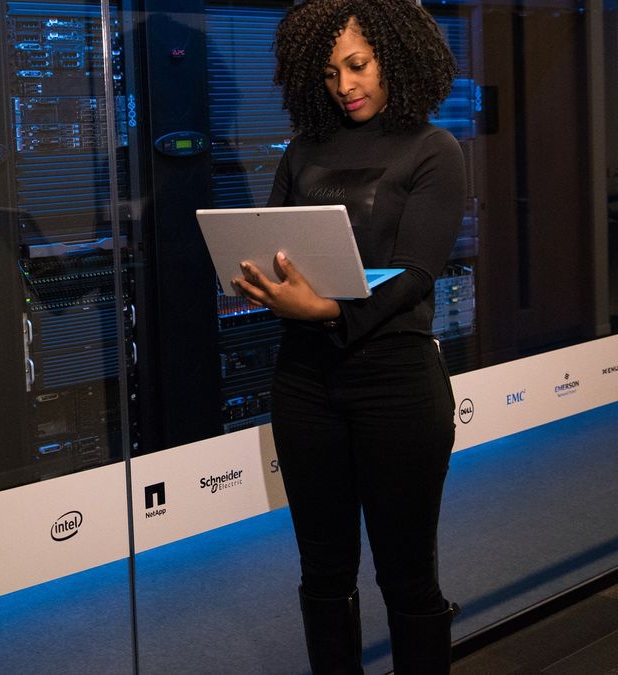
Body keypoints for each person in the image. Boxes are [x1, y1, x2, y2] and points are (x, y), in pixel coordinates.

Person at [230, 1, 465, 673]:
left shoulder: (433, 149)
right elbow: (271, 243)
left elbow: (417, 273)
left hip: (397, 384)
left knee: (407, 577)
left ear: (395, 56)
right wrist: (258, 281)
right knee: (323, 573)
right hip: (306, 385)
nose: (345, 86)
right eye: (330, 72)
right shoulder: (304, 149)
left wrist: (325, 307)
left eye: (357, 66)